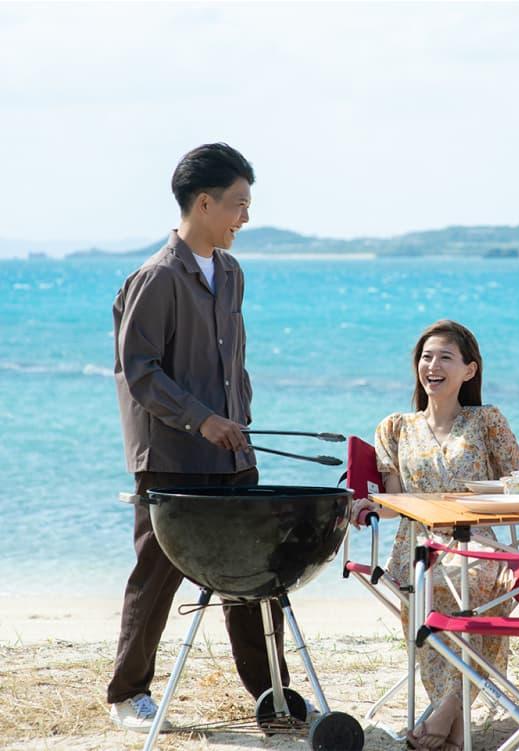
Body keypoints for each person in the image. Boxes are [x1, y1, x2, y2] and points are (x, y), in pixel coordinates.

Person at [108, 143, 290, 731]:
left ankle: (273, 698)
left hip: (232, 452)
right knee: (155, 577)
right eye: (239, 204)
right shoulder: (156, 277)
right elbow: (139, 372)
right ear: (204, 203)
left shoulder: (232, 273)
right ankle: (127, 694)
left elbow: (232, 361)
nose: (245, 218)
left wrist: (238, 415)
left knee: (255, 575)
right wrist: (202, 419)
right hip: (170, 455)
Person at [354, 319, 519, 751]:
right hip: (419, 547)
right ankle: (455, 722)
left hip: (483, 542)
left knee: (479, 586)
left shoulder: (487, 420)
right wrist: (364, 504)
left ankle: (448, 710)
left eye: (445, 357)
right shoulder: (394, 427)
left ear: (469, 370)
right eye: (426, 357)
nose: (432, 365)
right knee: (433, 587)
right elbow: (394, 500)